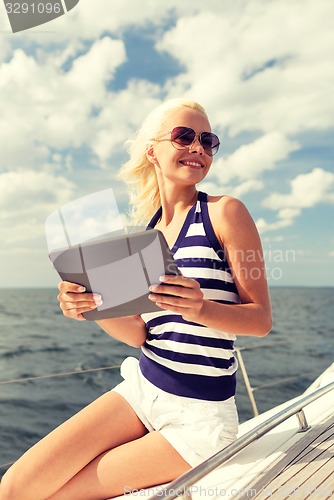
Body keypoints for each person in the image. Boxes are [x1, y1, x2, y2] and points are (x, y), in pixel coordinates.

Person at [0, 99, 272, 499]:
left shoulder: (224, 213)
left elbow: (261, 320)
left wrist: (201, 309)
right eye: (184, 136)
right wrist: (93, 307)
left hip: (198, 416)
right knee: (16, 487)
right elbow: (138, 335)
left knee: (60, 495)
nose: (198, 147)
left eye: (208, 140)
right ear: (152, 150)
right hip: (142, 387)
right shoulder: (146, 233)